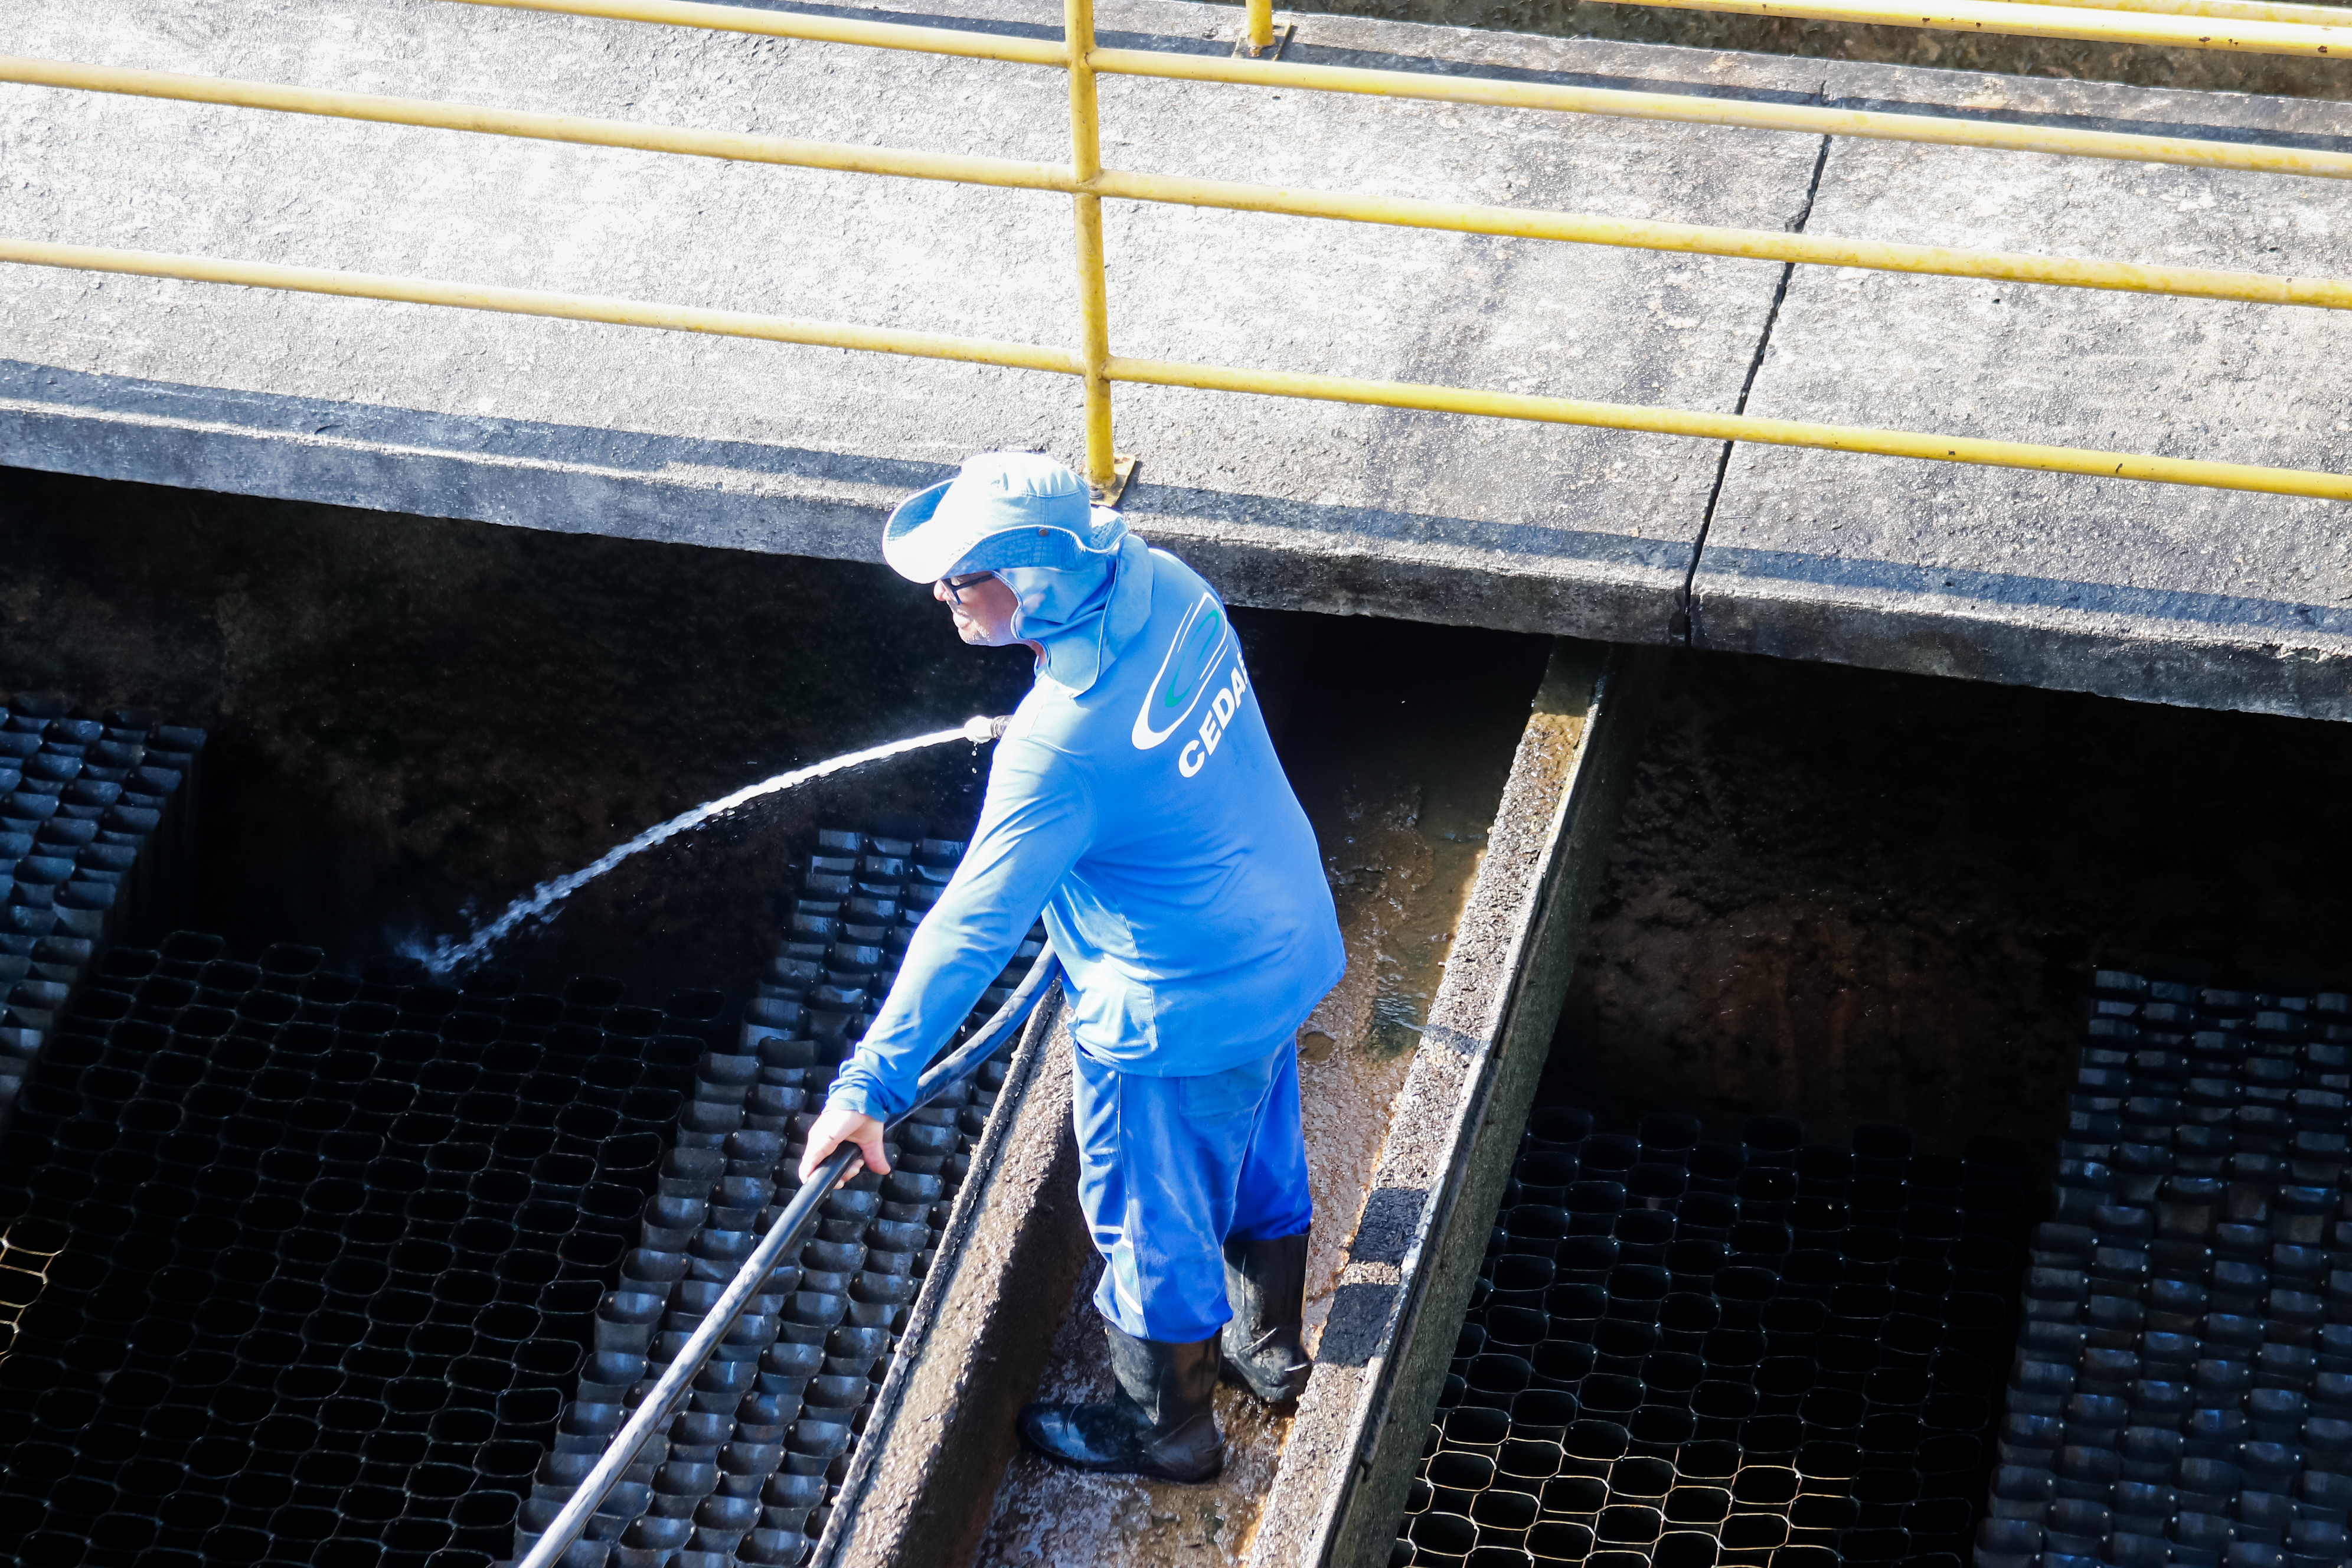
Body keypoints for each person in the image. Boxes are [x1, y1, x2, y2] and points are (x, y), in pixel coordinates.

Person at [796, 450, 1344, 1483]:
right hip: (1285, 941)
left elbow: (971, 924)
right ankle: (1267, 1351)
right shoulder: (1172, 587)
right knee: (1263, 1147)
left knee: (1150, 1216)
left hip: (1170, 1015)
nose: (946, 599)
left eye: (962, 580)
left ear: (1037, 582)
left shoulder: (1058, 749)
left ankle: (1168, 1430)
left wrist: (870, 1084)